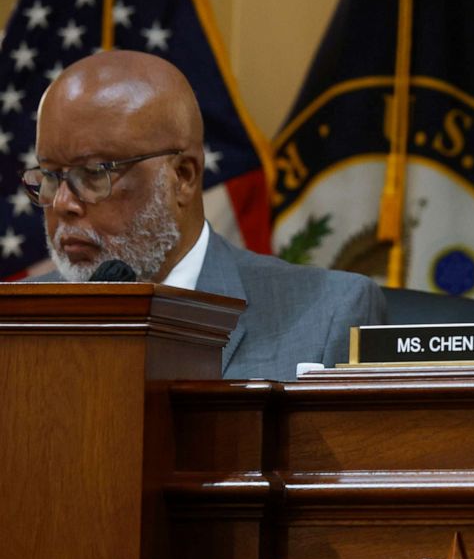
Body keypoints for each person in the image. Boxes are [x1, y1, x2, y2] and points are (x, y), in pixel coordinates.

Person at [23, 50, 385, 380]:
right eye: (50, 175)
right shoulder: (15, 320)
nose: (62, 204)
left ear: (183, 177)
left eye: (94, 173)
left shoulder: (329, 317)